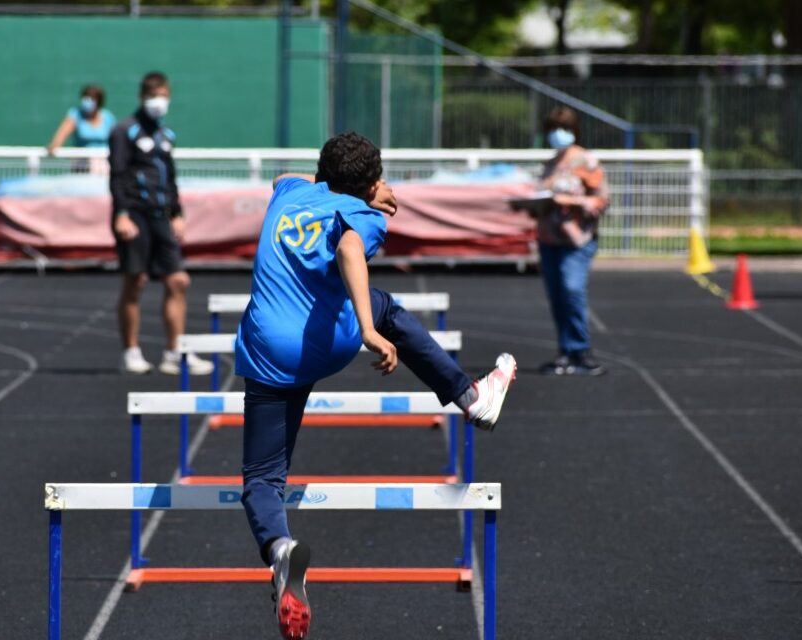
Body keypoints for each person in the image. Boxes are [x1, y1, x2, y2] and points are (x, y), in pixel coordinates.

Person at [235, 132, 517, 640]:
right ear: (370, 185)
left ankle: (279, 549)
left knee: (262, 476)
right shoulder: (364, 216)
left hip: (267, 349)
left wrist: (338, 183)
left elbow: (286, 177)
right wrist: (367, 328)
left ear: (321, 175)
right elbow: (346, 246)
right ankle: (471, 397)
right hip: (331, 342)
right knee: (384, 306)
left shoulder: (289, 194)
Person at [108, 72, 212, 376]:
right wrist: (121, 213)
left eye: (164, 95)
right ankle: (130, 351)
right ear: (143, 96)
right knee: (135, 281)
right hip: (134, 215)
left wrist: (177, 212)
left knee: (178, 280)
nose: (159, 101)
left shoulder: (165, 135)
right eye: (154, 95)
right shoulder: (123, 131)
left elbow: (170, 176)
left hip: (161, 215)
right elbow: (117, 175)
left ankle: (174, 352)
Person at [535, 106, 609, 376]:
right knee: (557, 296)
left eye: (563, 128)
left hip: (576, 240)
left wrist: (570, 201)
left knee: (572, 289)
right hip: (549, 238)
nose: (557, 134)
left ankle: (581, 349)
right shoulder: (550, 164)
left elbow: (601, 200)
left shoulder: (586, 161)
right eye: (553, 129)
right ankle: (565, 350)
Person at [46, 85, 116, 173]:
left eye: (92, 99)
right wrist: (54, 145)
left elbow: (116, 139)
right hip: (82, 164)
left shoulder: (107, 117)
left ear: (98, 101)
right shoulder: (75, 114)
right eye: (86, 98)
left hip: (104, 164)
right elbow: (62, 133)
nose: (88, 102)